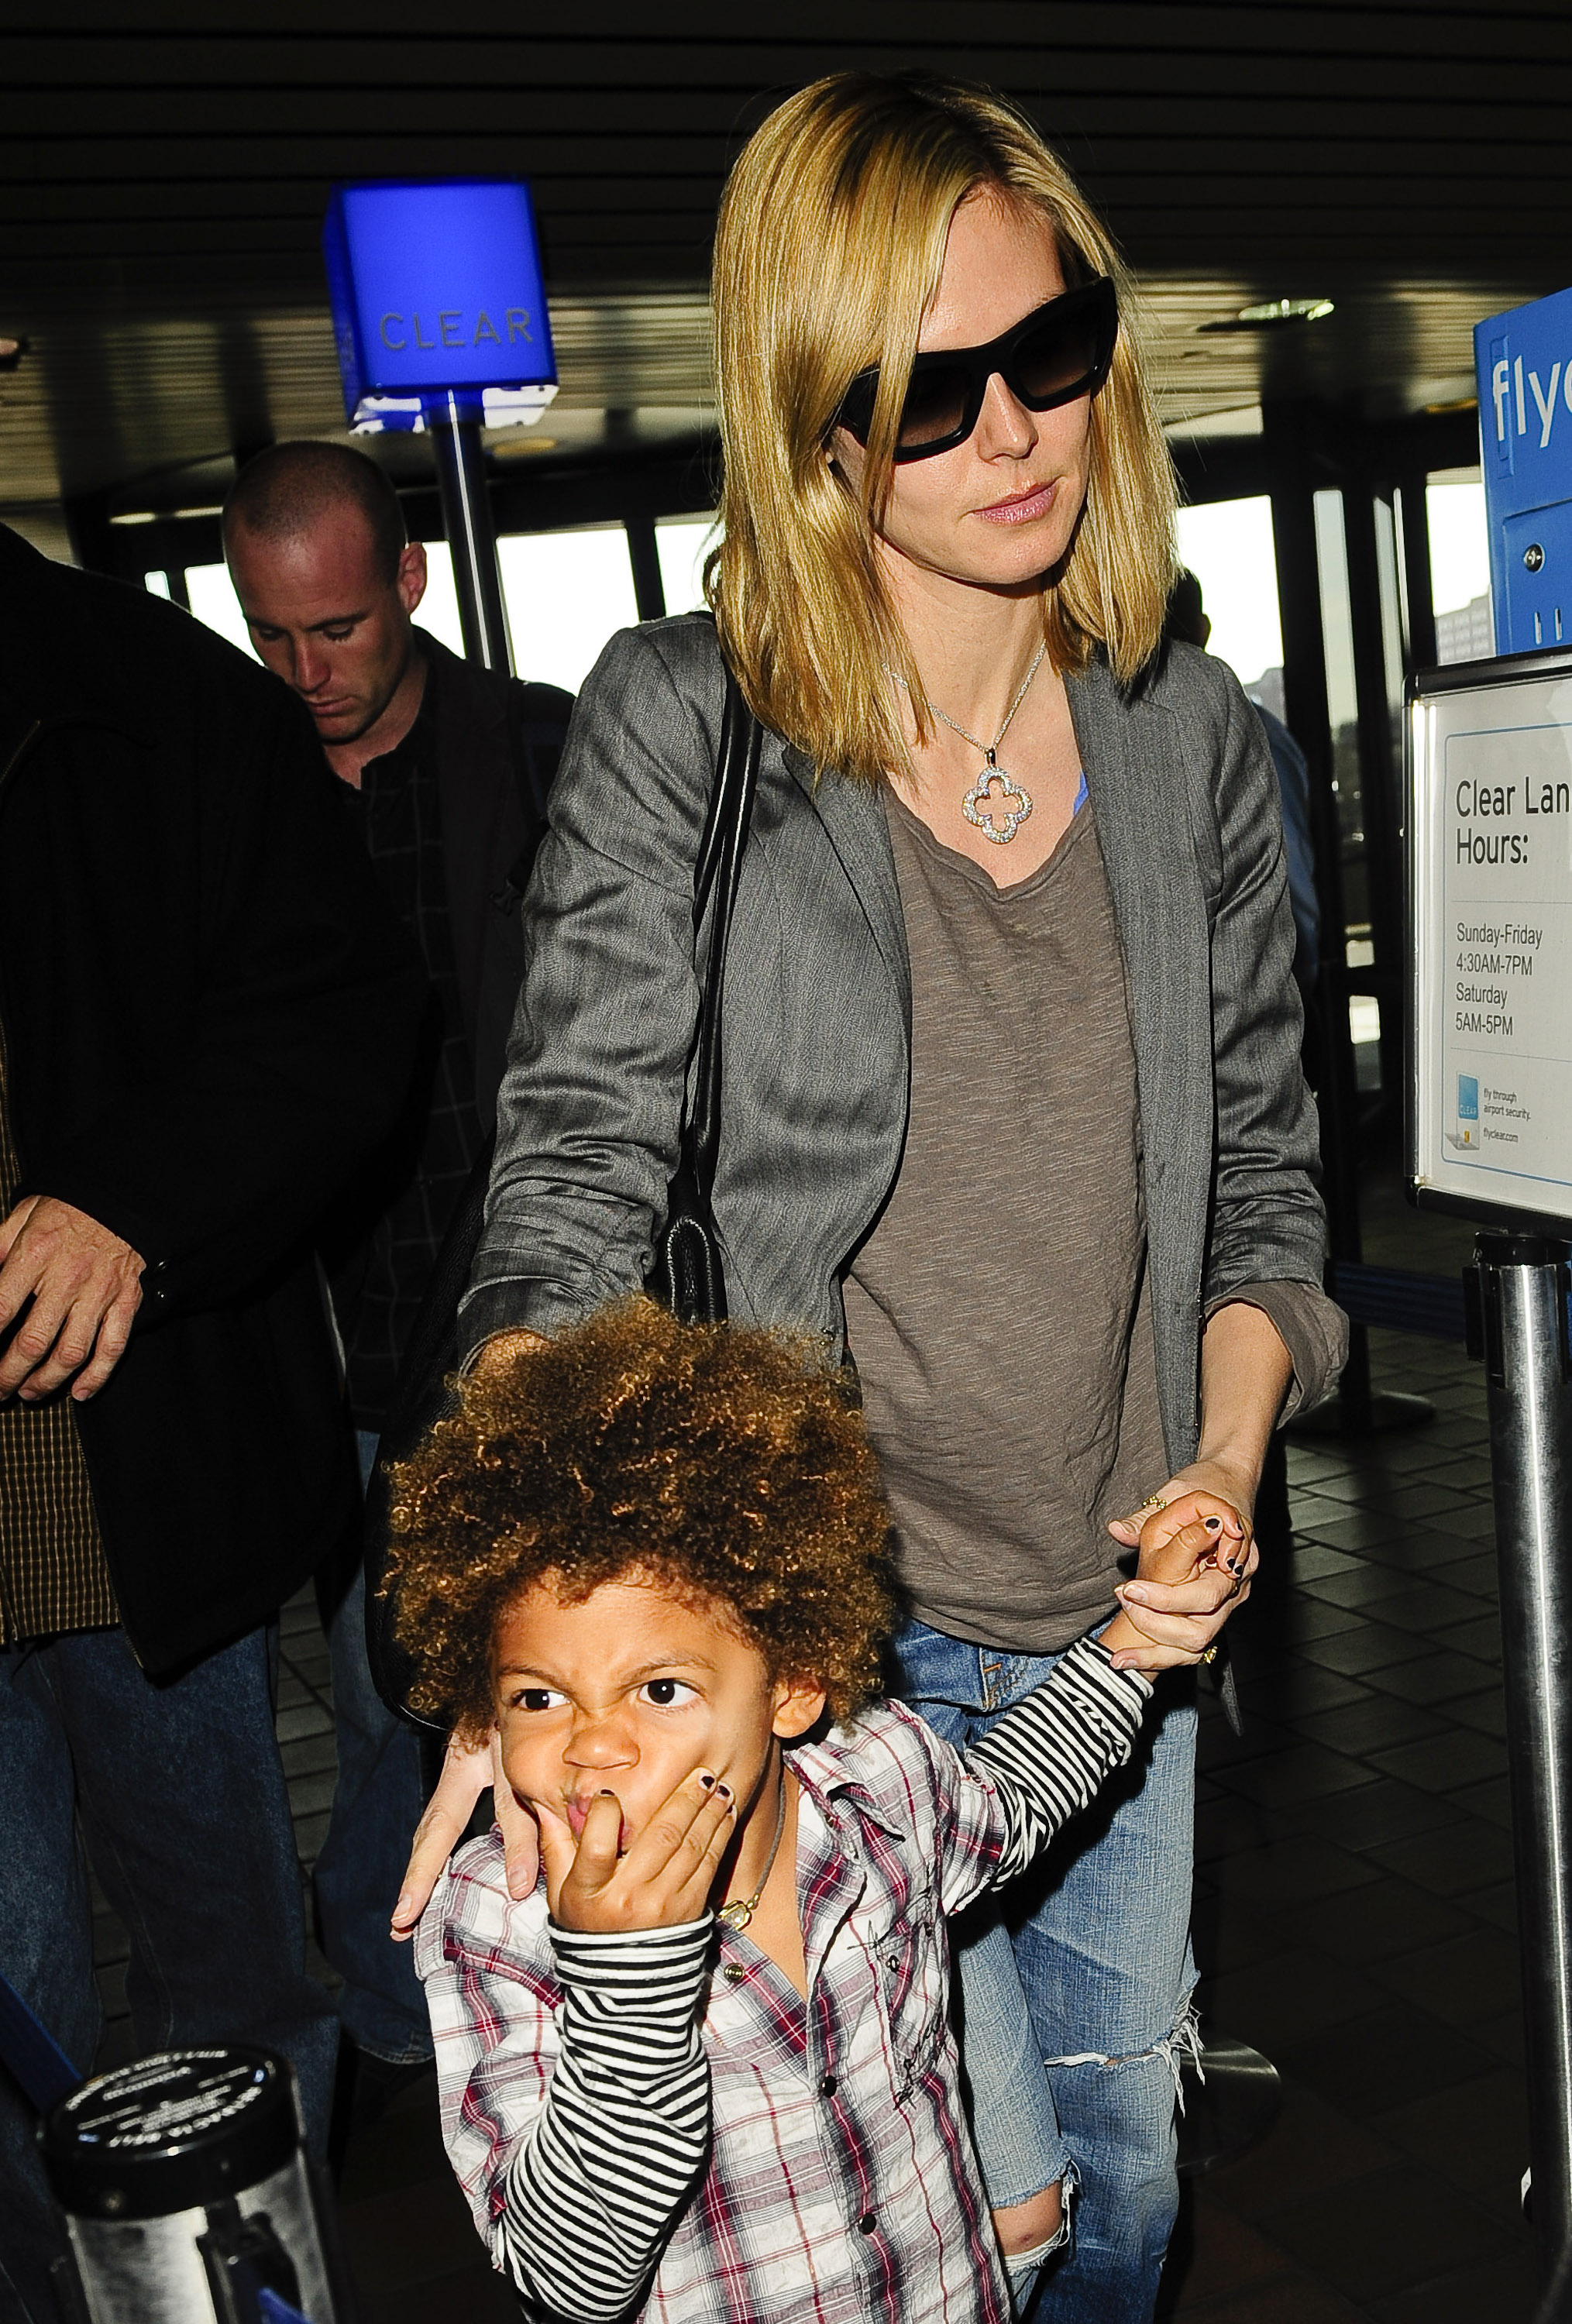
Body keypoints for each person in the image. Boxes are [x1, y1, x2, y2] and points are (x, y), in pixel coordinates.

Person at [398, 72, 1347, 2319]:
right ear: (812, 418)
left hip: (1108, 1606)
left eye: (1053, 347)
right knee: (965, 2212)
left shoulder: (1183, 732)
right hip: (824, 1636)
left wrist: (1214, 1469)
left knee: (1116, 2175)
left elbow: (1264, 1198)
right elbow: (574, 1175)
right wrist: (531, 1618)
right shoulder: (686, 723)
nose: (1017, 428)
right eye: (931, 393)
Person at [391, 1299, 1232, 2324]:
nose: (593, 1743)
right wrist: (630, 1994)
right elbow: (570, 2282)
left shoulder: (877, 1782)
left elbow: (1012, 1798)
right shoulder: (498, 1920)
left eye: (660, 1689)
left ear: (791, 1685)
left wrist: (1132, 1649)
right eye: (537, 1697)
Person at [0, 522, 425, 2324]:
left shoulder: (153, 693)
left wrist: (135, 1201)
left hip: (116, 1484)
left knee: (227, 1983)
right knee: (12, 2020)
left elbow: (341, 1014)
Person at [222, 442, 573, 2119]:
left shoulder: (543, 752)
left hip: (520, 1313)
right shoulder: (230, 796)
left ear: (410, 585)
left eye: (339, 632)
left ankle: (528, 1984)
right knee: (384, 1699)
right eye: (271, 636)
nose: (307, 674)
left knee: (540, 1674)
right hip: (332, 1341)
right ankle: (392, 1999)